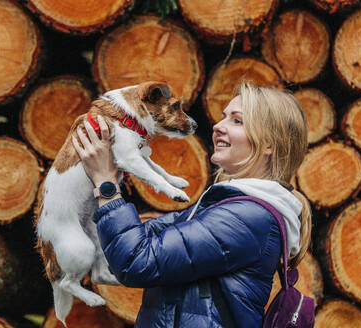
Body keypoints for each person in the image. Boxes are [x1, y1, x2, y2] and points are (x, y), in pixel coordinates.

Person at [71, 82, 312, 328]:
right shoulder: (221, 208)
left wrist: (106, 183)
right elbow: (132, 243)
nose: (218, 126)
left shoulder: (247, 218)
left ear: (269, 144)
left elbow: (136, 261)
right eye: (223, 117)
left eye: (237, 121)